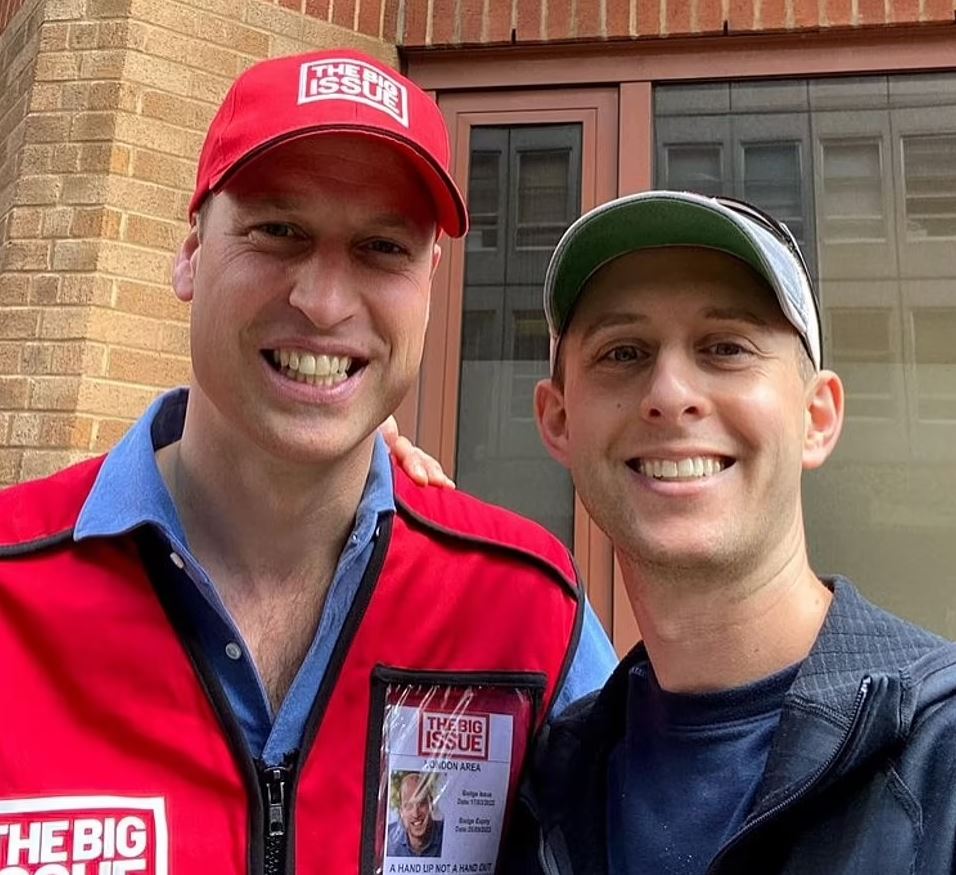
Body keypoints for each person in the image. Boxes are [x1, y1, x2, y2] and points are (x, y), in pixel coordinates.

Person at [0, 50, 616, 874]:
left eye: (382, 247)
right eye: (278, 231)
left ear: (431, 281)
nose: (324, 302)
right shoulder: (14, 587)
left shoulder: (527, 609)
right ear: (189, 253)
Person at [504, 191, 956, 874]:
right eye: (623, 352)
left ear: (818, 416)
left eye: (725, 347)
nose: (670, 390)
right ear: (559, 422)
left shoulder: (939, 755)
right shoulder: (546, 783)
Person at [388, 772, 444, 858]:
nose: (415, 814)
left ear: (431, 805)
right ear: (401, 811)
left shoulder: (446, 833)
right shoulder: (388, 839)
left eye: (421, 803)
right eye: (408, 806)